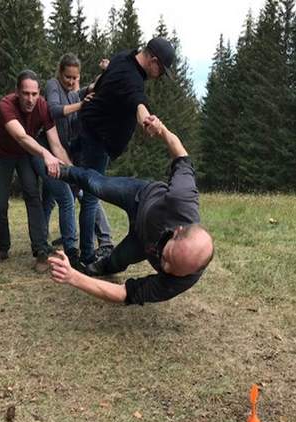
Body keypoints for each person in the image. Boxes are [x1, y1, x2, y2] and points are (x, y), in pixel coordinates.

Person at [48, 118, 214, 306]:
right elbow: (182, 157)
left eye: (173, 269)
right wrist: (162, 130)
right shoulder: (182, 200)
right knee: (97, 185)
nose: (165, 268)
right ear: (177, 231)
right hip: (140, 196)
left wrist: (73, 277)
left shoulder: (184, 280)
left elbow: (124, 293)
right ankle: (64, 171)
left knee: (116, 261)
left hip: (141, 241)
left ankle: (97, 267)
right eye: (168, 258)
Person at [77, 36, 176, 265]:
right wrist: (147, 121)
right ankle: (86, 256)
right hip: (97, 140)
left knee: (86, 191)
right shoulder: (133, 80)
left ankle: (84, 250)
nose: (160, 75)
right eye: (162, 70)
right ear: (153, 60)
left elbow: (108, 75)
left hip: (91, 132)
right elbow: (138, 104)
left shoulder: (123, 57)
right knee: (91, 196)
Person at [0, 69, 72, 273]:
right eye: (25, 93)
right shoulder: (6, 104)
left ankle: (41, 251)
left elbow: (56, 144)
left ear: (39, 93)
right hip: (4, 154)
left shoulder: (43, 107)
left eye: (34, 94)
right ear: (17, 92)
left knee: (33, 196)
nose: (30, 99)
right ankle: (1, 249)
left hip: (25, 155)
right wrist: (45, 155)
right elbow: (22, 137)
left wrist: (72, 170)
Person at [37, 53, 113, 261]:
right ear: (60, 73)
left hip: (70, 153)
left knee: (76, 195)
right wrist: (81, 105)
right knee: (59, 197)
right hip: (51, 152)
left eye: (74, 77)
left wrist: (106, 72)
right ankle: (47, 244)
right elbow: (52, 110)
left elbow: (92, 88)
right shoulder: (53, 85)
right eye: (67, 77)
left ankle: (104, 240)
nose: (70, 81)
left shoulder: (73, 93)